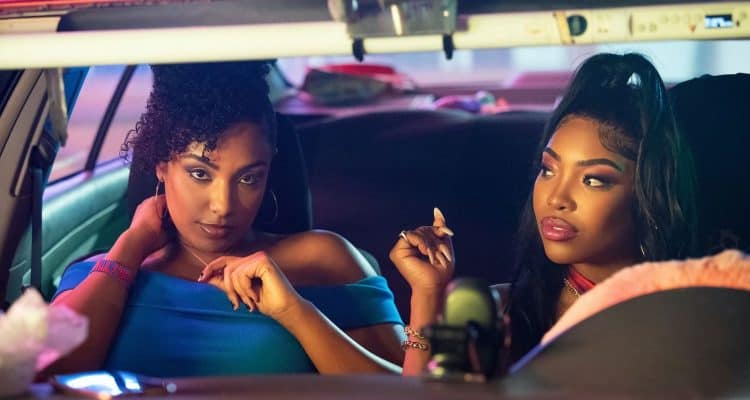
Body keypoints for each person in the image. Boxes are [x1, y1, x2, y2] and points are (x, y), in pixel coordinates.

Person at [45, 61, 404, 377]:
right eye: (200, 174)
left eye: (249, 178)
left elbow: (408, 389)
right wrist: (130, 246)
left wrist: (296, 313)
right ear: (161, 165)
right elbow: (43, 380)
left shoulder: (322, 259)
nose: (223, 205)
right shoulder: (102, 274)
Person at [391, 53, 696, 374]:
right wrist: (427, 294)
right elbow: (422, 394)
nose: (556, 198)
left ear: (650, 196)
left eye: (593, 180)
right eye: (548, 170)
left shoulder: (692, 317)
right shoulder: (499, 315)